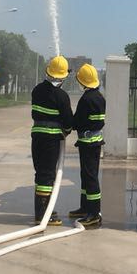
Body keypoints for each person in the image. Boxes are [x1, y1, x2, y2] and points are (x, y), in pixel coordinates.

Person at [30, 55, 74, 225]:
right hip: (51, 139)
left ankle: (44, 210)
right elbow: (68, 121)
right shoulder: (62, 96)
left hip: (37, 137)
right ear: (62, 77)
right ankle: (42, 216)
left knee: (41, 173)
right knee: (47, 175)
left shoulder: (37, 90)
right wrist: (67, 131)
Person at [68, 64, 106, 229]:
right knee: (87, 176)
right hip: (95, 142)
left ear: (83, 81)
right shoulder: (100, 97)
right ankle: (85, 207)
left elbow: (77, 121)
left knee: (90, 178)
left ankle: (94, 214)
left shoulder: (86, 99)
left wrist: (69, 122)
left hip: (88, 144)